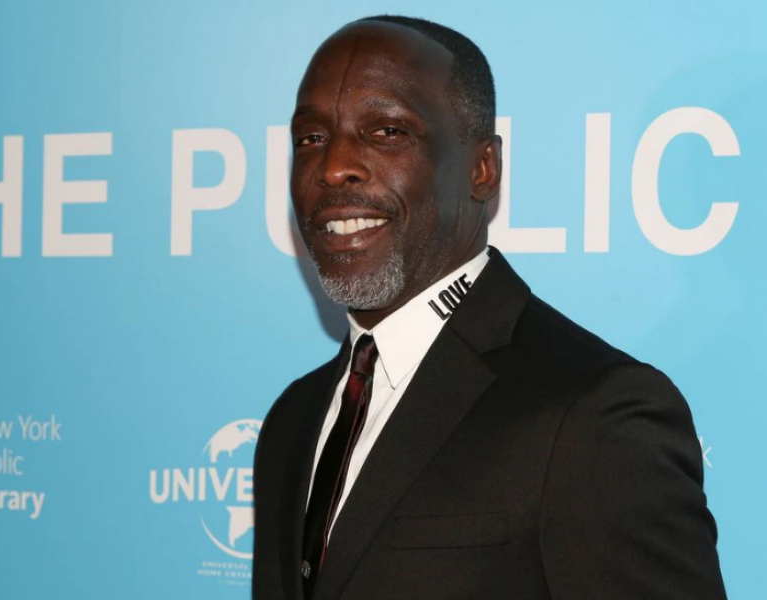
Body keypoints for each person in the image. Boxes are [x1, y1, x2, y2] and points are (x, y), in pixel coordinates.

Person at [252, 15, 726, 600]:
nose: (332, 167)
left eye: (386, 132)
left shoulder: (593, 415)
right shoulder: (293, 420)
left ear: (483, 169)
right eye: (312, 138)